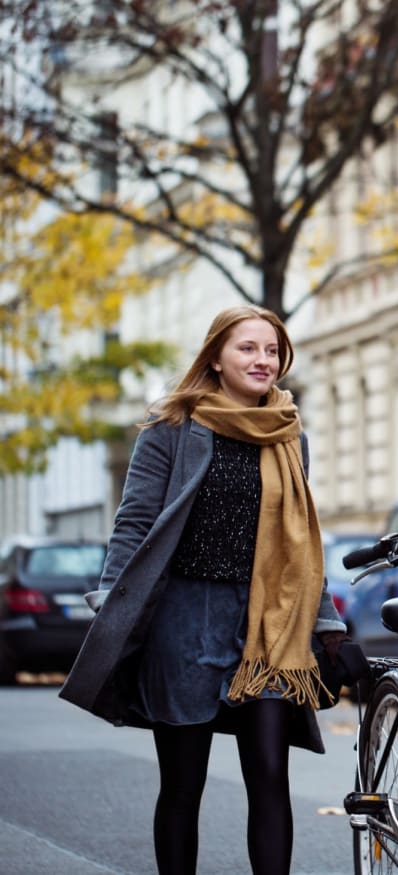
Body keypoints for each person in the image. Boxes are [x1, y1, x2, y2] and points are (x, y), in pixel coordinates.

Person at [60, 305, 351, 875]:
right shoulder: (172, 428)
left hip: (266, 624)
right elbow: (136, 521)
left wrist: (327, 622)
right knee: (183, 783)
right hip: (184, 619)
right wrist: (112, 600)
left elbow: (301, 542)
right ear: (215, 357)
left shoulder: (289, 435)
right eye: (248, 348)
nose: (262, 360)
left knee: (270, 773)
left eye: (271, 351)